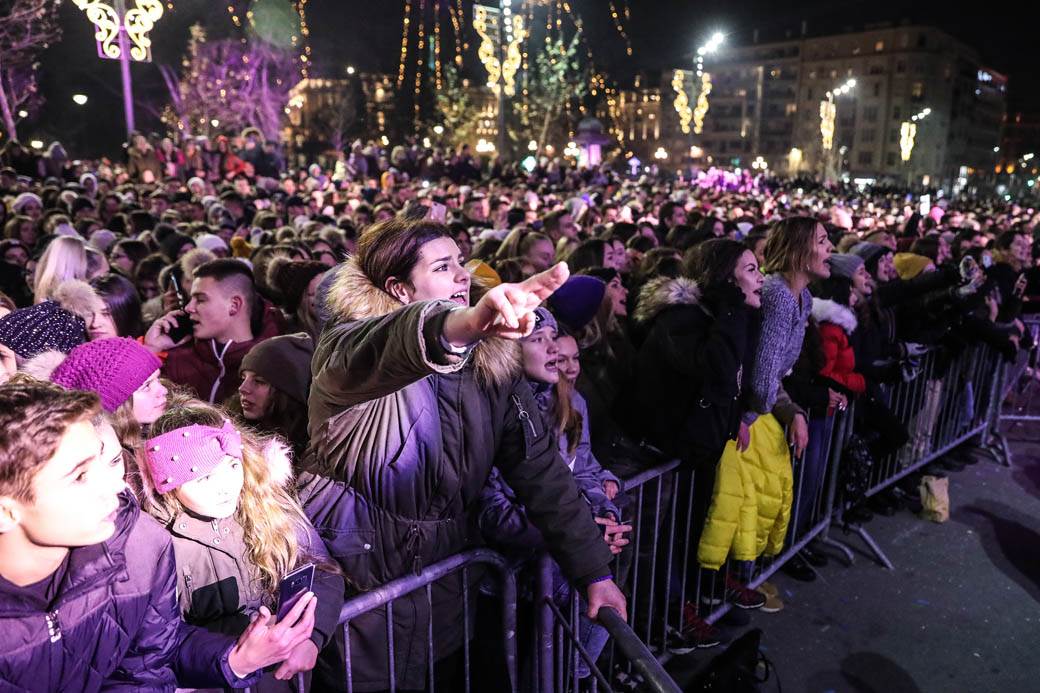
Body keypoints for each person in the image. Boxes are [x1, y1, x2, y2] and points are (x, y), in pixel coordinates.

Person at [296, 216, 624, 691]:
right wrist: (463, 326)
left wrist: (593, 569)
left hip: (444, 584)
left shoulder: (492, 365)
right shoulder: (350, 351)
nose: (463, 276)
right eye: (443, 266)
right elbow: (400, 338)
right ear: (400, 289)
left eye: (461, 263)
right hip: (359, 589)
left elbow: (540, 470)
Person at [0, 380, 314, 691]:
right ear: (5, 510)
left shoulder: (141, 544)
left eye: (108, 462)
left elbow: (150, 657)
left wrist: (235, 660)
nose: (117, 486)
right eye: (79, 476)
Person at [140, 401, 344, 689]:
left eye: (232, 466)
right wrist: (240, 653)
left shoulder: (266, 505)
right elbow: (157, 638)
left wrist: (312, 636)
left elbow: (321, 570)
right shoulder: (154, 541)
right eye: (204, 477)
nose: (225, 485)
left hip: (279, 681)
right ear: (170, 484)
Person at [478, 308, 627, 681]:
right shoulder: (492, 413)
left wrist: (602, 513)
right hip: (505, 582)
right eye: (538, 339)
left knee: (560, 671)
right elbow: (492, 512)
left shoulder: (566, 402)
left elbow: (581, 471)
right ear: (508, 349)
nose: (555, 351)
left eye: (553, 338)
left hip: (552, 573)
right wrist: (578, 532)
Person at [145, 259, 272, 404]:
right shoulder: (175, 358)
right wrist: (151, 348)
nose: (188, 307)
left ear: (234, 305)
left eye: (200, 299)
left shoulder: (272, 367)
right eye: (191, 298)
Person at [232, 333, 314, 458]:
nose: (242, 388)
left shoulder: (313, 452)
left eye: (259, 381)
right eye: (243, 378)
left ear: (287, 393)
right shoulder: (228, 434)